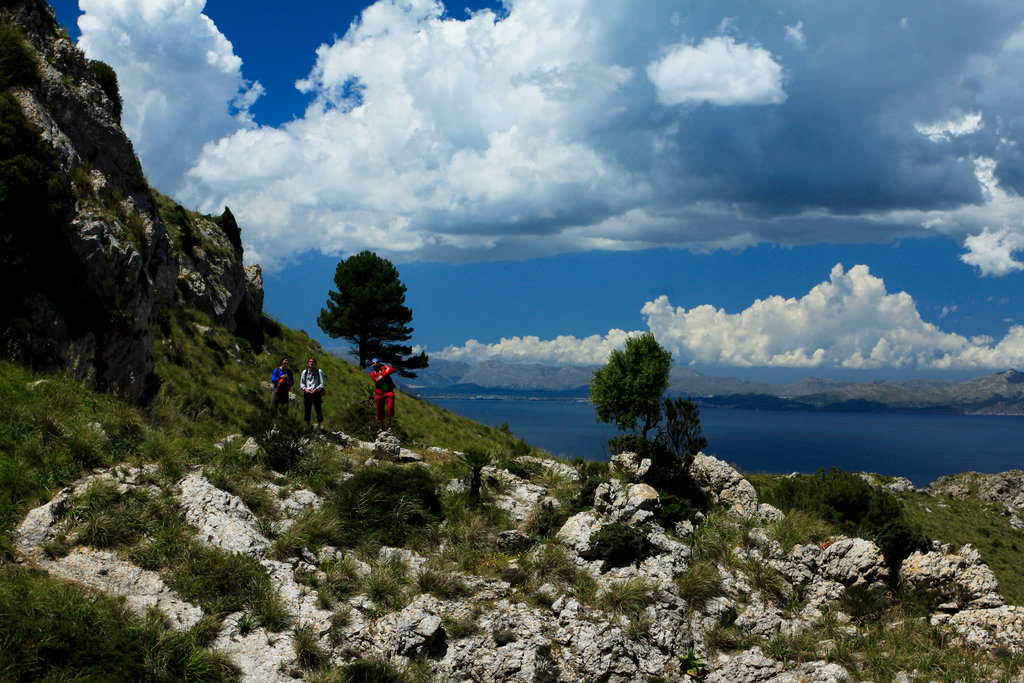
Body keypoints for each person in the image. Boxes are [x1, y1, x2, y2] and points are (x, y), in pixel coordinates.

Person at [369, 358, 397, 432]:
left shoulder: (384, 368)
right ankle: (382, 426)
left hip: (389, 391)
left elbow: (392, 370)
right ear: (372, 364)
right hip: (379, 393)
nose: (375, 364)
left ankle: (390, 425)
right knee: (380, 410)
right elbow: (377, 380)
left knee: (390, 408)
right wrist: (386, 373)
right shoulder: (373, 373)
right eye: (374, 363)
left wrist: (381, 376)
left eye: (377, 362)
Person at [300, 356, 326, 429]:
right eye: (310, 362)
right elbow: (301, 383)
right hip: (307, 394)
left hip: (316, 394)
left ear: (315, 363)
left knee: (318, 409)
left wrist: (316, 389)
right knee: (307, 410)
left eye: (313, 362)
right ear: (308, 363)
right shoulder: (304, 372)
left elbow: (322, 383)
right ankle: (308, 426)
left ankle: (319, 426)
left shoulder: (319, 371)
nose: (311, 363)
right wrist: (305, 389)